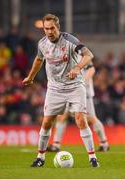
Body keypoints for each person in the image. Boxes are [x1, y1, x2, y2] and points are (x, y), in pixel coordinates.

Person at [22, 13, 100, 167]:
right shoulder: (42, 44)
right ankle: (40, 158)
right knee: (46, 122)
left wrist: (78, 68)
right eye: (46, 29)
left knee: (80, 120)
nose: (49, 32)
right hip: (55, 89)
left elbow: (88, 55)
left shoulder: (70, 41)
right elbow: (39, 59)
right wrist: (30, 77)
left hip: (75, 87)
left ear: (58, 27)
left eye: (52, 28)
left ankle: (93, 158)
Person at [47, 63, 110, 152]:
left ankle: (104, 143)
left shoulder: (81, 52)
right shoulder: (66, 53)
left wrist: (82, 82)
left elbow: (91, 69)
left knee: (91, 119)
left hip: (84, 92)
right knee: (62, 117)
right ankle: (56, 145)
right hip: (69, 91)